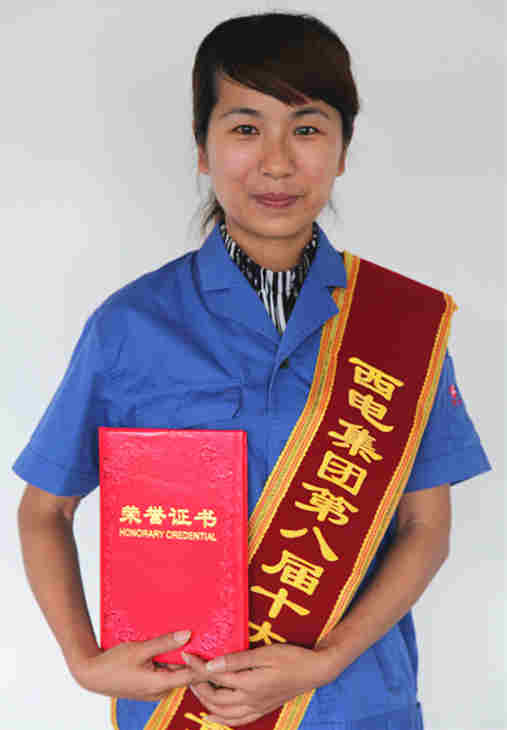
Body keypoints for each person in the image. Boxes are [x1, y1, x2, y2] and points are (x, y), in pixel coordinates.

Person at [14, 11, 491, 730]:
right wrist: (82, 660)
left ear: (342, 148)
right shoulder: (130, 325)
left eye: (306, 129)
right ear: (202, 148)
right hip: (182, 707)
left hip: (357, 705)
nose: (276, 162)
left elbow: (426, 526)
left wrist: (326, 660)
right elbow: (44, 510)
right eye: (244, 127)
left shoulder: (401, 325)